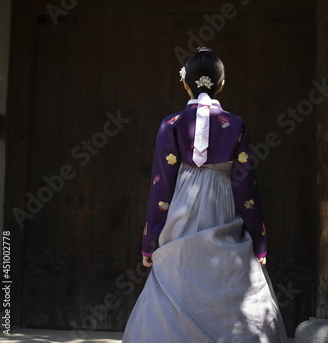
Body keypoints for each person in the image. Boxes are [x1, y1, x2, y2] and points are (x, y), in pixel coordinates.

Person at [122, 47, 288, 342]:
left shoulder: (170, 125)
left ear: (185, 83)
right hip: (224, 208)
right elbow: (246, 187)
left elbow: (161, 188)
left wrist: (150, 243)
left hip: (181, 212)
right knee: (228, 280)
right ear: (221, 84)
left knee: (179, 277)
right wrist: (259, 243)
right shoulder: (236, 126)